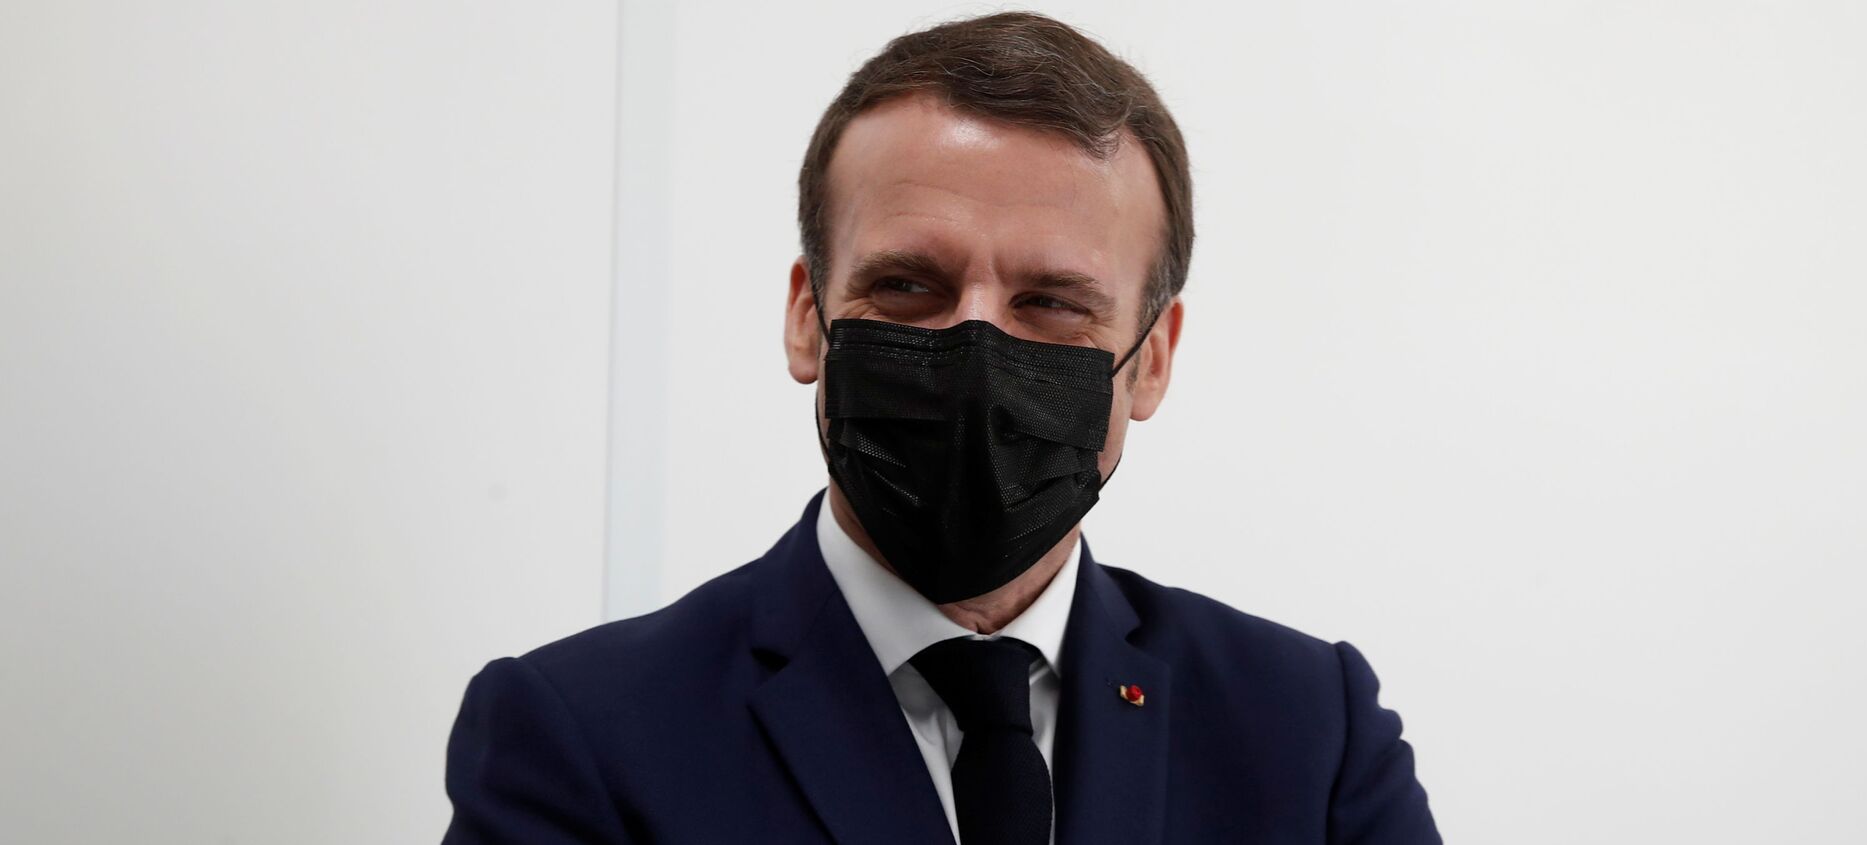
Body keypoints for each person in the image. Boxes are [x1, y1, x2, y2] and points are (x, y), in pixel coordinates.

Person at [442, 11, 1440, 844]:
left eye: (1052, 301)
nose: (975, 348)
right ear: (807, 315)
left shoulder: (1310, 731)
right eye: (908, 285)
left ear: (1155, 357)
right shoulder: (582, 733)